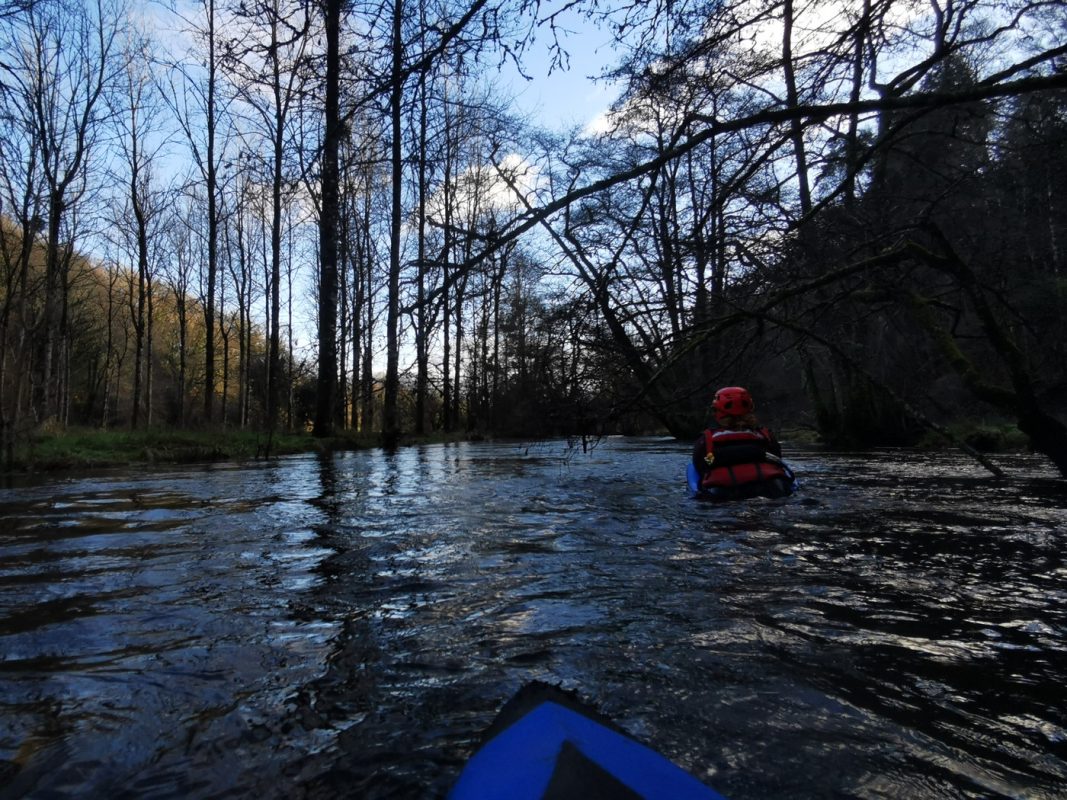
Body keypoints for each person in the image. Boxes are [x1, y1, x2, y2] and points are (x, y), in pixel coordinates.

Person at [692, 386, 792, 499]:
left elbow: (701, 467)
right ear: (750, 408)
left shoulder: (707, 439)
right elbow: (777, 460)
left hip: (724, 493)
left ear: (717, 412)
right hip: (771, 488)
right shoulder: (766, 435)